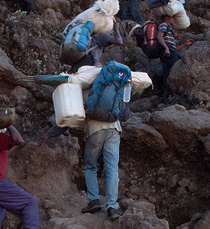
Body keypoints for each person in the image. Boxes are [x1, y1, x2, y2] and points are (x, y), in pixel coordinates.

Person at [35, 64, 152, 218]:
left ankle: (94, 201)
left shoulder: (80, 86)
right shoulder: (115, 84)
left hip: (95, 130)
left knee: (90, 166)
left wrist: (50, 134)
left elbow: (71, 114)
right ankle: (112, 206)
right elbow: (124, 115)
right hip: (114, 129)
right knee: (112, 168)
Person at [157, 15, 194, 94]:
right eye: (172, 17)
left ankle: (169, 93)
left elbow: (175, 48)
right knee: (175, 69)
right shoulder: (164, 25)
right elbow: (159, 36)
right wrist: (166, 48)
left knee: (170, 71)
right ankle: (170, 93)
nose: (174, 19)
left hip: (172, 51)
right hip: (169, 52)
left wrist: (185, 44)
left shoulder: (170, 29)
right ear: (167, 17)